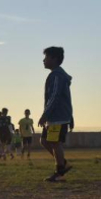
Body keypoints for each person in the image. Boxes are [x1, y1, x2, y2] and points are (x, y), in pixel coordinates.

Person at [38, 47, 74, 182]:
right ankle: (63, 163)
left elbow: (55, 96)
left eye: (46, 57)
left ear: (54, 59)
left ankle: (59, 173)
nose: (43, 60)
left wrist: (45, 114)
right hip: (56, 116)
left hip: (57, 117)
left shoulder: (57, 75)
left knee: (54, 142)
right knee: (44, 141)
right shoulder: (56, 74)